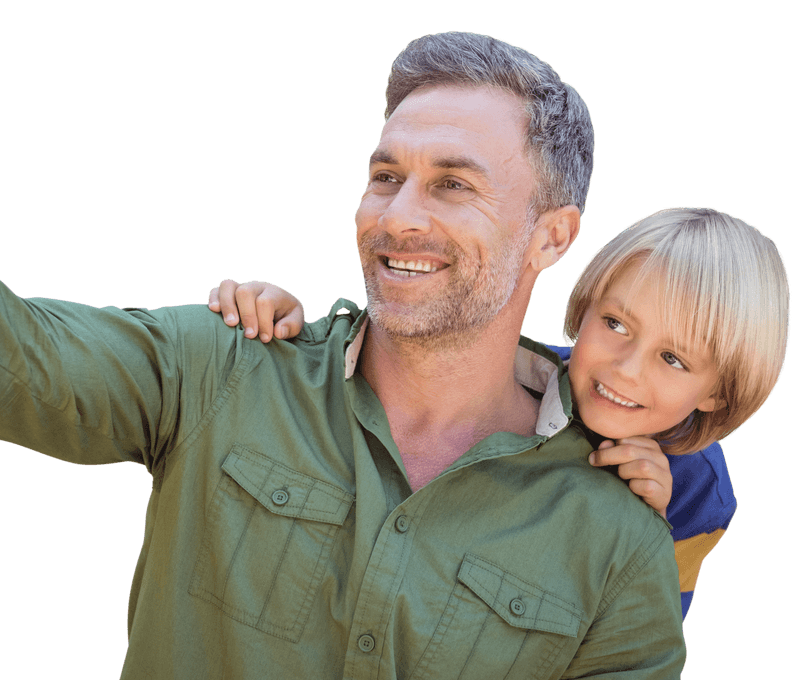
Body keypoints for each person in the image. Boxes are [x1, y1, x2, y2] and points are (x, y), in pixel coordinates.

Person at [0, 28, 689, 678]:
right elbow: (11, 354)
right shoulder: (227, 364)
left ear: (552, 235)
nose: (398, 216)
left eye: (452, 186)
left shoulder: (615, 539)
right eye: (384, 174)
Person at [208, 205, 790, 619]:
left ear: (719, 390)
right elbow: (392, 358)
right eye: (614, 324)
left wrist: (647, 529)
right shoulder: (517, 378)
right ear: (583, 310)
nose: (626, 370)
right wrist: (286, 326)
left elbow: (645, 642)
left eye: (672, 358)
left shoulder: (698, 493)